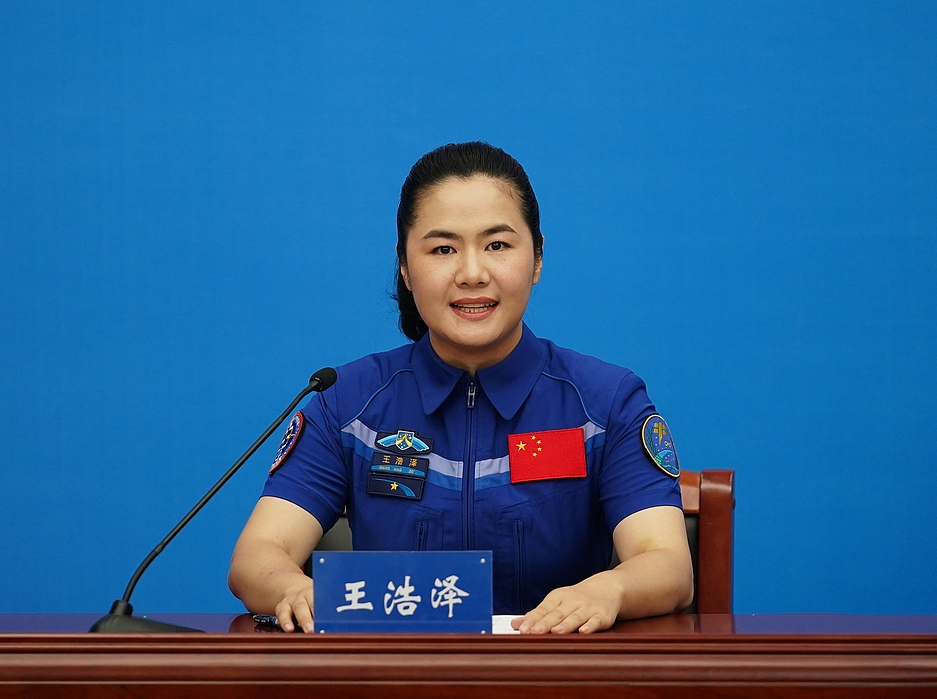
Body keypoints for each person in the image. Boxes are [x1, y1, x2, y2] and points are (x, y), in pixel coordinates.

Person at [228, 142, 693, 634]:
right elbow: (258, 556)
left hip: (557, 679)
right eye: (443, 249)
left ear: (536, 259)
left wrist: (608, 590)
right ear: (406, 267)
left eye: (497, 245)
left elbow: (666, 562)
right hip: (393, 682)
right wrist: (290, 587)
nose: (472, 274)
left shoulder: (604, 403)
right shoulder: (347, 406)